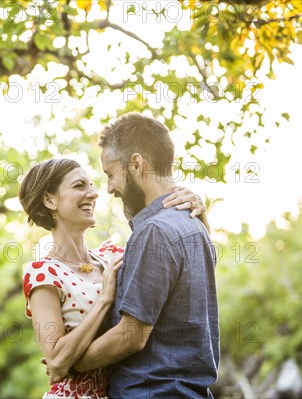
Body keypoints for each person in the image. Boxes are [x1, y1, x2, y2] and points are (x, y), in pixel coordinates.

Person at [47, 113, 219, 398]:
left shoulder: (154, 231)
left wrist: (70, 365)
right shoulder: (195, 226)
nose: (109, 188)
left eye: (110, 174)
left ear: (136, 164)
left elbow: (132, 336)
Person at [18, 157, 209, 398]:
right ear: (49, 200)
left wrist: (198, 214)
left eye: (91, 185)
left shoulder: (114, 256)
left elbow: (189, 268)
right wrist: (104, 300)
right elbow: (56, 358)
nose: (93, 194)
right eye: (79, 186)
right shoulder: (44, 274)